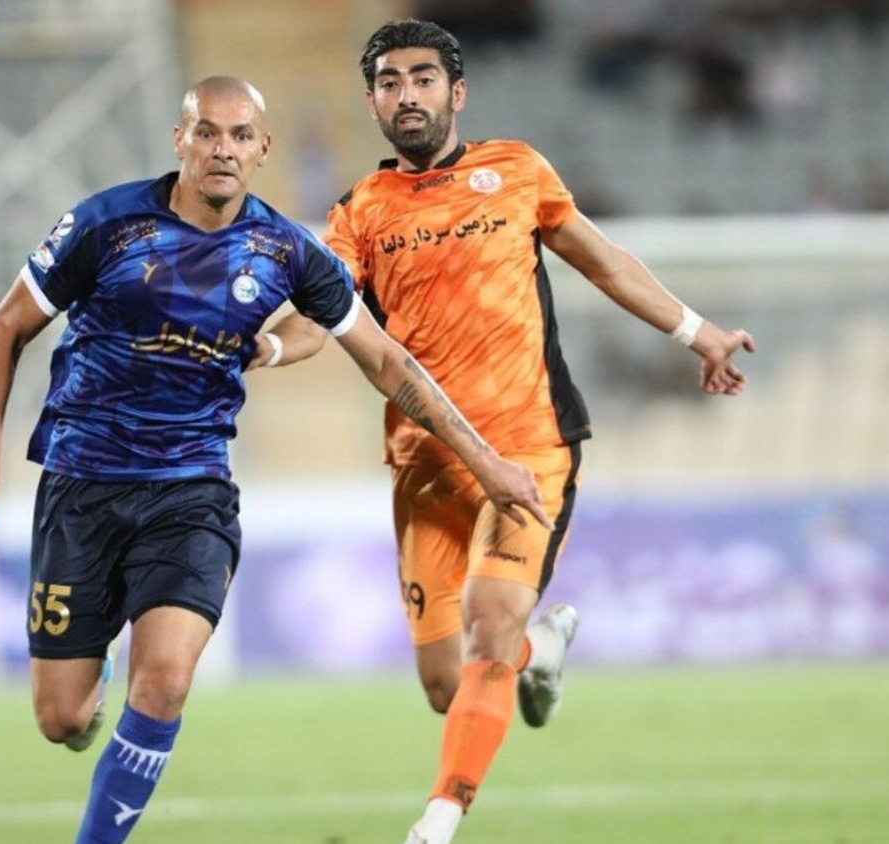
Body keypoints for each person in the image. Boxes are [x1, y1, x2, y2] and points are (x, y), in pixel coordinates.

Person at [0, 75, 552, 844]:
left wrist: (487, 460)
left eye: (239, 136)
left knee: (164, 681)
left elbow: (387, 361)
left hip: (190, 492)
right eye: (206, 132)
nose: (222, 149)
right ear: (180, 141)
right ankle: (89, 684)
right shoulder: (105, 225)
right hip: (81, 486)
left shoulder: (285, 251)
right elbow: (6, 328)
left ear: (263, 150)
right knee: (62, 719)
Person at [258, 20, 755, 844]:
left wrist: (697, 332)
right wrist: (266, 347)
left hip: (529, 446)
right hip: (425, 462)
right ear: (373, 103)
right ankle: (540, 651)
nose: (407, 95)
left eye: (423, 79)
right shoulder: (359, 212)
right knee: (443, 682)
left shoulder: (517, 170)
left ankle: (439, 819)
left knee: (490, 626)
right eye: (389, 83)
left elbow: (602, 259)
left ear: (456, 92)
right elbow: (321, 319)